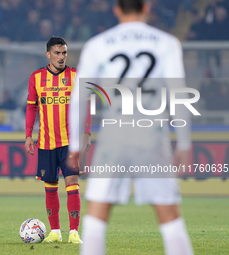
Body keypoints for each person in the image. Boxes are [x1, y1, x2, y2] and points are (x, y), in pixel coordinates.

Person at [68, 1, 194, 254]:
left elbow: (79, 97)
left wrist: (74, 145)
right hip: (152, 135)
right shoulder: (166, 43)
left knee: (96, 218)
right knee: (170, 217)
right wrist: (184, 143)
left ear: (117, 9)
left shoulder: (98, 44)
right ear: (147, 7)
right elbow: (179, 94)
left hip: (115, 134)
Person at [25, 36, 91, 244]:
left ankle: (73, 233)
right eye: (57, 53)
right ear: (48, 54)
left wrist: (87, 133)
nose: (61, 57)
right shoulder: (36, 77)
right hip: (45, 143)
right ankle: (55, 231)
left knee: (72, 183)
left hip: (69, 142)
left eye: (64, 53)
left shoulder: (75, 76)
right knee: (50, 186)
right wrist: (28, 134)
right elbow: (32, 106)